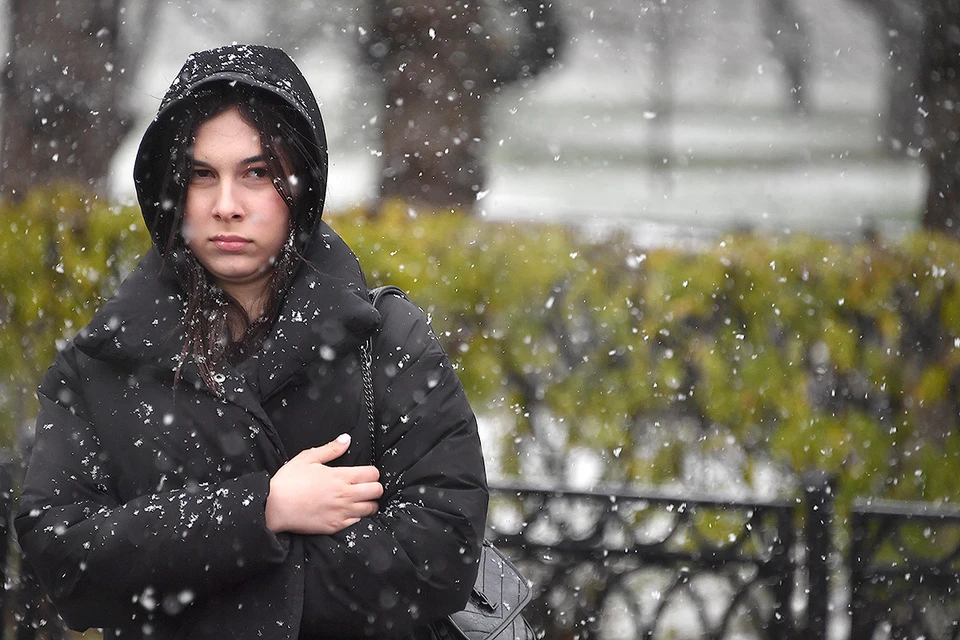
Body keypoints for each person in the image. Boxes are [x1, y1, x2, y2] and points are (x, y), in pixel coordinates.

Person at [15, 44, 488, 639]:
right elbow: (64, 558)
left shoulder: (388, 343)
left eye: (257, 174)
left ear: (300, 186)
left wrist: (193, 589)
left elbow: (440, 554)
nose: (226, 207)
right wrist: (260, 510)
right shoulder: (102, 364)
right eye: (201, 176)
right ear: (172, 191)